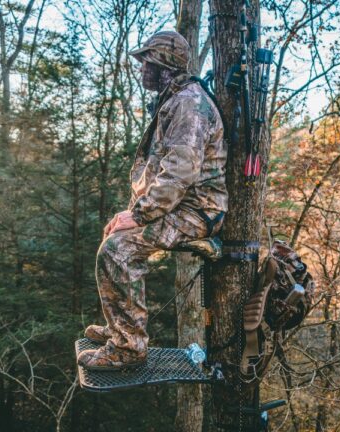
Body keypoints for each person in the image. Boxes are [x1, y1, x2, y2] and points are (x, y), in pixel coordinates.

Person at [77, 30, 228, 370]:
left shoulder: (188, 104)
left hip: (198, 212)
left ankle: (129, 348)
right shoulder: (174, 99)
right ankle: (122, 327)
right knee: (115, 237)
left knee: (118, 250)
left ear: (163, 64)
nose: (141, 68)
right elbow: (164, 173)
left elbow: (179, 174)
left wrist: (141, 215)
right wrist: (133, 212)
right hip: (179, 205)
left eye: (145, 61)